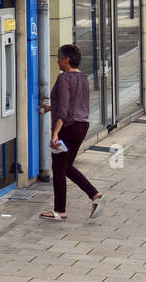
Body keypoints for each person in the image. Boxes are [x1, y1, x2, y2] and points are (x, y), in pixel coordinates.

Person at [39, 44, 104, 221]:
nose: (57, 60)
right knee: (66, 166)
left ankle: (60, 210)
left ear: (67, 60)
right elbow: (74, 102)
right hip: (82, 126)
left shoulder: (64, 78)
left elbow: (65, 110)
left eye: (59, 58)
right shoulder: (83, 77)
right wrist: (50, 107)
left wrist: (55, 134)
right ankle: (94, 195)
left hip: (67, 127)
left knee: (58, 168)